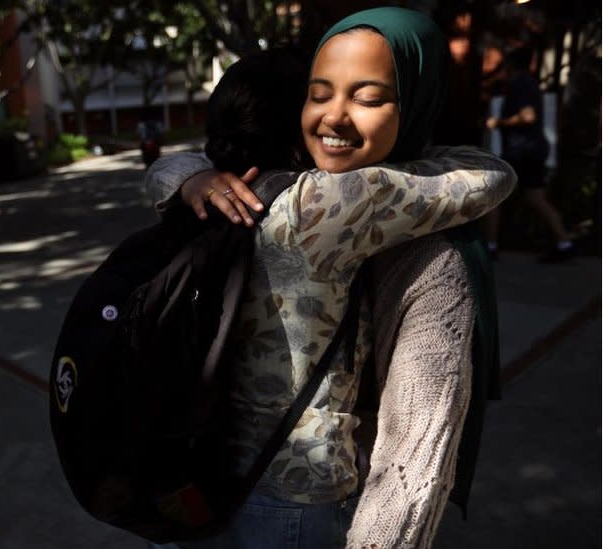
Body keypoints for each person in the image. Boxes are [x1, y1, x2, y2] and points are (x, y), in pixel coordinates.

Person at [145, 8, 514, 548]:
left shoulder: (214, 198)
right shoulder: (332, 203)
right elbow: (491, 175)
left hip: (190, 477)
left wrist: (191, 176)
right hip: (292, 495)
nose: (334, 117)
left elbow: (160, 170)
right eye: (319, 95)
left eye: (366, 97)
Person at [484, 46, 575, 262]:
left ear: (511, 65)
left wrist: (499, 122)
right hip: (531, 149)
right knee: (536, 198)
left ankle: (490, 246)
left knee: (495, 194)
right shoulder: (529, 83)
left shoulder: (521, 84)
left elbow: (528, 116)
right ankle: (565, 243)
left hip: (521, 150)